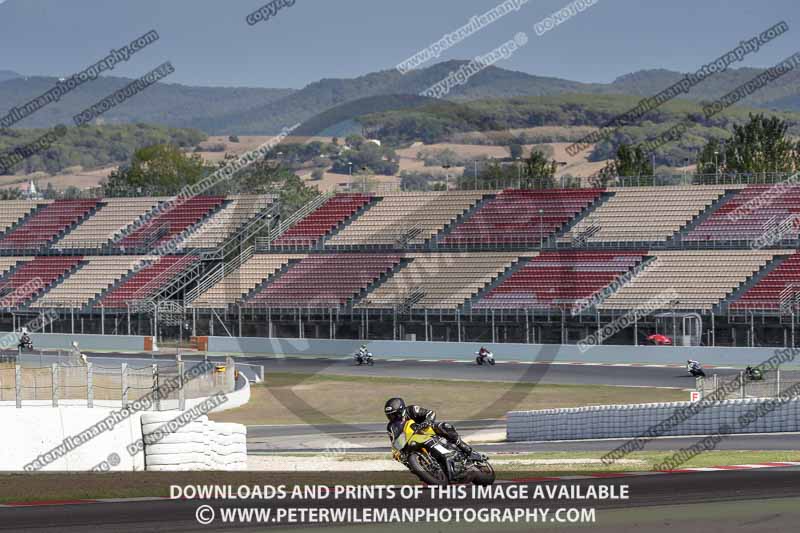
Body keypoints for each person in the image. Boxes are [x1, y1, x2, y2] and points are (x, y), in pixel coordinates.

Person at [384, 397, 483, 460]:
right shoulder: (391, 427)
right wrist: (396, 452)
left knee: (443, 427)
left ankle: (467, 450)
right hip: (412, 441)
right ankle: (425, 471)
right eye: (390, 416)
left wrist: (427, 422)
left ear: (401, 410)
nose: (392, 418)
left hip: (425, 430)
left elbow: (430, 413)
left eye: (394, 415)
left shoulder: (412, 410)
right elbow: (394, 442)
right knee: (403, 458)